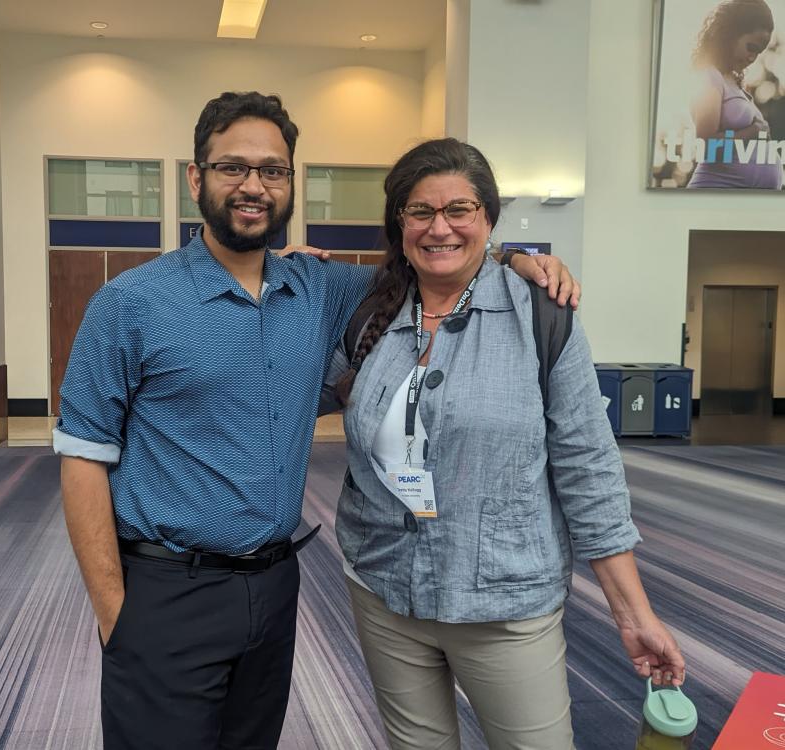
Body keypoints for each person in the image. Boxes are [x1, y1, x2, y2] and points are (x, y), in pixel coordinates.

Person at [54, 92, 577, 750]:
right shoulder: (128, 304)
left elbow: (431, 256)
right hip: (166, 592)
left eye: (273, 170)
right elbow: (81, 459)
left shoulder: (322, 288)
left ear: (290, 183)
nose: (253, 185)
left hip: (274, 588)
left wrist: (517, 258)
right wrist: (116, 618)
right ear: (196, 178)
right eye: (232, 168)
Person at [324, 137, 686, 750]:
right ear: (400, 224)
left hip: (503, 598)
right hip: (384, 585)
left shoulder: (542, 315)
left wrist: (633, 612)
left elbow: (588, 467)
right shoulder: (368, 313)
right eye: (421, 211)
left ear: (487, 218)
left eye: (458, 210)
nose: (440, 227)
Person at [687, 0, 781, 189]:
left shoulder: (731, 82)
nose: (753, 58)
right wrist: (753, 132)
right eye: (751, 47)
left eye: (759, 52)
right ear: (730, 36)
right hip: (713, 197)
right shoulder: (710, 77)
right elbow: (707, 146)